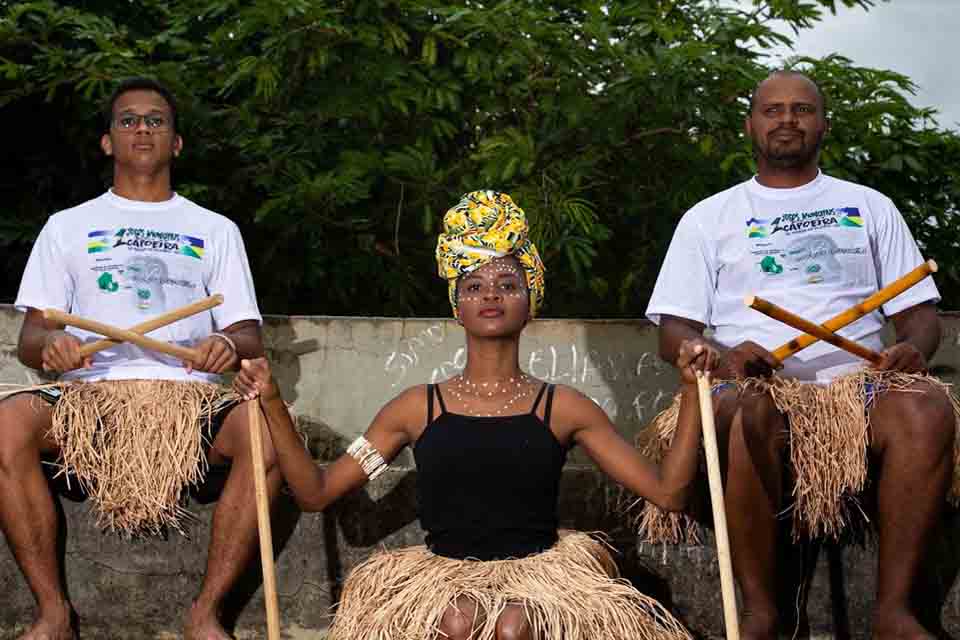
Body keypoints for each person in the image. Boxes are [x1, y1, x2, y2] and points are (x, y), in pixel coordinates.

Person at [235, 190, 716, 640]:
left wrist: (692, 389)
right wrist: (273, 402)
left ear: (530, 303)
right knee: (459, 619)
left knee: (511, 626)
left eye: (508, 283)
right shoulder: (414, 409)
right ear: (457, 308)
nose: (490, 294)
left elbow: (669, 494)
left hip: (537, 577)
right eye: (474, 285)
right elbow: (317, 494)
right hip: (445, 578)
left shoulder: (565, 408)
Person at [644, 70, 959, 639]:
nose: (787, 119)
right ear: (751, 125)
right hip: (751, 385)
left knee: (927, 409)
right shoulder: (709, 217)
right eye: (773, 110)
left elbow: (918, 315)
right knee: (749, 411)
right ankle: (765, 609)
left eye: (801, 109)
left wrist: (912, 347)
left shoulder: (869, 206)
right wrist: (722, 354)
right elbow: (674, 334)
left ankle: (894, 611)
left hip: (858, 390)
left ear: (823, 124)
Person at [0, 77, 277, 640]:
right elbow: (29, 338)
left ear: (176, 143)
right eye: (128, 120)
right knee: (4, 426)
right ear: (108, 142)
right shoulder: (67, 227)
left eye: (156, 120)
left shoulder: (215, 229)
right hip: (90, 402)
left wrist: (227, 345)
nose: (142, 128)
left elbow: (248, 336)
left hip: (189, 402)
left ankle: (205, 613)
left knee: (265, 435)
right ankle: (52, 612)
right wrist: (51, 348)